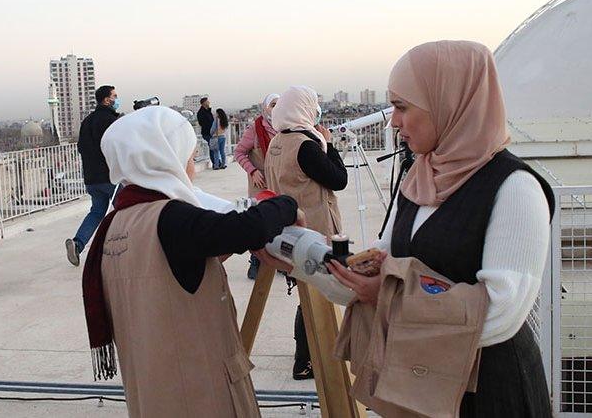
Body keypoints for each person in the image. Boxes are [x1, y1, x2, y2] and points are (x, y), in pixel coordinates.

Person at [327, 41, 554, 417]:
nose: (393, 122)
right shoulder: (419, 178)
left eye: (402, 107)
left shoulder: (514, 188)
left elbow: (502, 311)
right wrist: (319, 259)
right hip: (422, 386)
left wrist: (386, 300)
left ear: (448, 103)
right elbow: (385, 260)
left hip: (489, 394)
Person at [82, 106, 300, 417]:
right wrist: (287, 204)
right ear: (165, 156)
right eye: (187, 155)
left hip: (153, 390)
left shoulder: (116, 223)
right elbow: (246, 228)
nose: (192, 166)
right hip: (196, 392)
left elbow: (171, 272)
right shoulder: (171, 218)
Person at [264, 85, 348, 381]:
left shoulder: (277, 141)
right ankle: (305, 360)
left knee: (308, 294)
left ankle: (310, 353)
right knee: (317, 294)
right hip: (315, 230)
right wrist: (329, 143)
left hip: (289, 231)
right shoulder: (306, 145)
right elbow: (339, 179)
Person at [66, 85, 121, 266]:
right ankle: (121, 250)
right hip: (109, 177)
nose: (116, 99)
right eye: (114, 96)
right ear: (107, 100)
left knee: (97, 212)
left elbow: (81, 148)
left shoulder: (87, 121)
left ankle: (78, 243)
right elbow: (118, 146)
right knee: (126, 212)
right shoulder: (110, 120)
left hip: (91, 178)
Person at [234, 93, 279, 279]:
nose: (276, 108)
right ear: (265, 107)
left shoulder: (285, 127)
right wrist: (253, 171)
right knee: (261, 222)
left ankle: (279, 260)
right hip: (260, 183)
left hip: (279, 182)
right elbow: (239, 152)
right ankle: (256, 260)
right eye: (273, 104)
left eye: (280, 104)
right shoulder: (256, 128)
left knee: (280, 221)